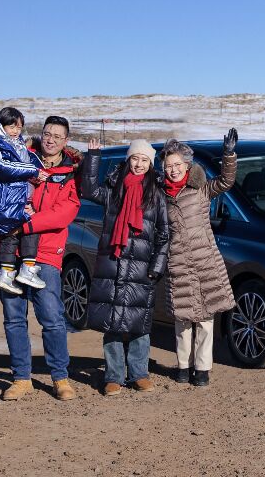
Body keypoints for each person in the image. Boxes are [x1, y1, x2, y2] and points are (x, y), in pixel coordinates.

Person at [0, 116, 81, 402]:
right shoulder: (21, 160)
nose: (51, 139)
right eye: (47, 133)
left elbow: (66, 212)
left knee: (52, 318)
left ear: (66, 140)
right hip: (10, 252)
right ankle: (21, 378)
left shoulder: (70, 173)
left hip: (45, 254)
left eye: (57, 135)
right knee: (14, 318)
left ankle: (60, 377)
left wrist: (26, 225)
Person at [78, 137, 170, 395]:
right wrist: (93, 158)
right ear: (128, 160)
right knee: (112, 322)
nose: (139, 164)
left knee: (140, 323)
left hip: (142, 267)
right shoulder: (114, 189)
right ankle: (114, 376)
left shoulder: (156, 194)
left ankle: (139, 374)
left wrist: (156, 267)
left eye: (144, 160)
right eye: (135, 158)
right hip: (113, 263)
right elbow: (89, 190)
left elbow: (164, 234)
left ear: (151, 164)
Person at [160, 130, 238, 388]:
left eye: (177, 165)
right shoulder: (161, 196)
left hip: (205, 261)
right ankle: (184, 366)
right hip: (178, 262)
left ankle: (202, 369)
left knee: (205, 318)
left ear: (187, 166)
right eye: (169, 165)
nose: (173, 170)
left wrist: (228, 155)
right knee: (182, 319)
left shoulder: (201, 190)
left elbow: (226, 181)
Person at [0, 107, 48, 295]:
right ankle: (26, 270)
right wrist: (32, 172)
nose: (16, 131)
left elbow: (27, 160)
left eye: (19, 127)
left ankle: (7, 274)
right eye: (12, 126)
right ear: (1, 125)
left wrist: (38, 170)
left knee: (13, 233)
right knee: (29, 226)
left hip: (7, 202)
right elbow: (1, 165)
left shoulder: (14, 144)